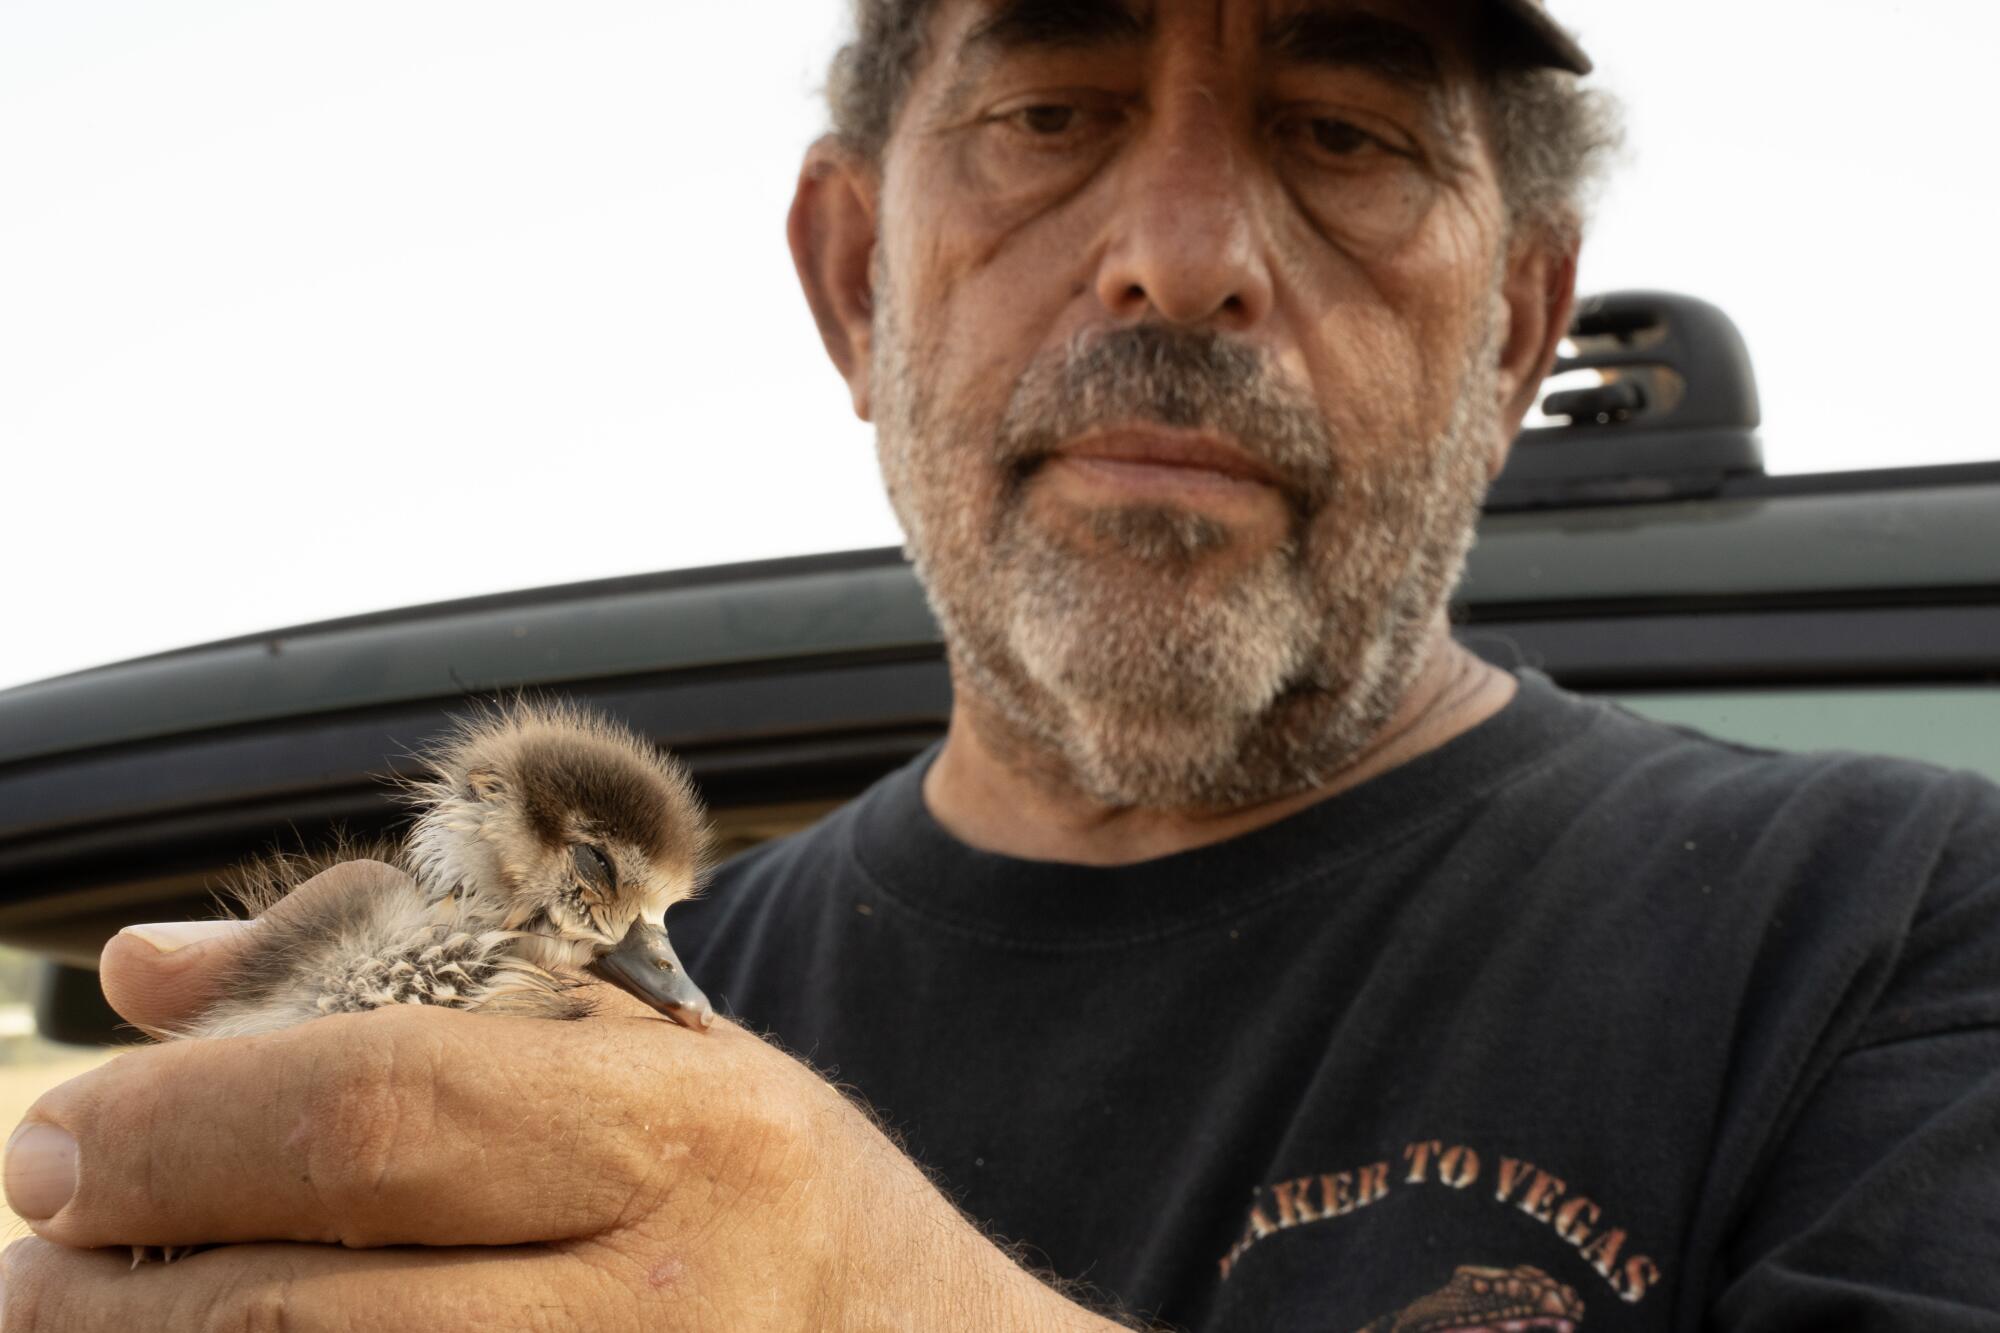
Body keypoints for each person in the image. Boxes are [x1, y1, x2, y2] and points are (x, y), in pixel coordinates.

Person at [5, 1, 1997, 1328]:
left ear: (1512, 330)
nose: (1183, 249)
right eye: (1051, 110)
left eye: (1339, 128)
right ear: (854, 275)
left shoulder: (1908, 934)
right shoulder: (582, 1034)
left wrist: (860, 1293)